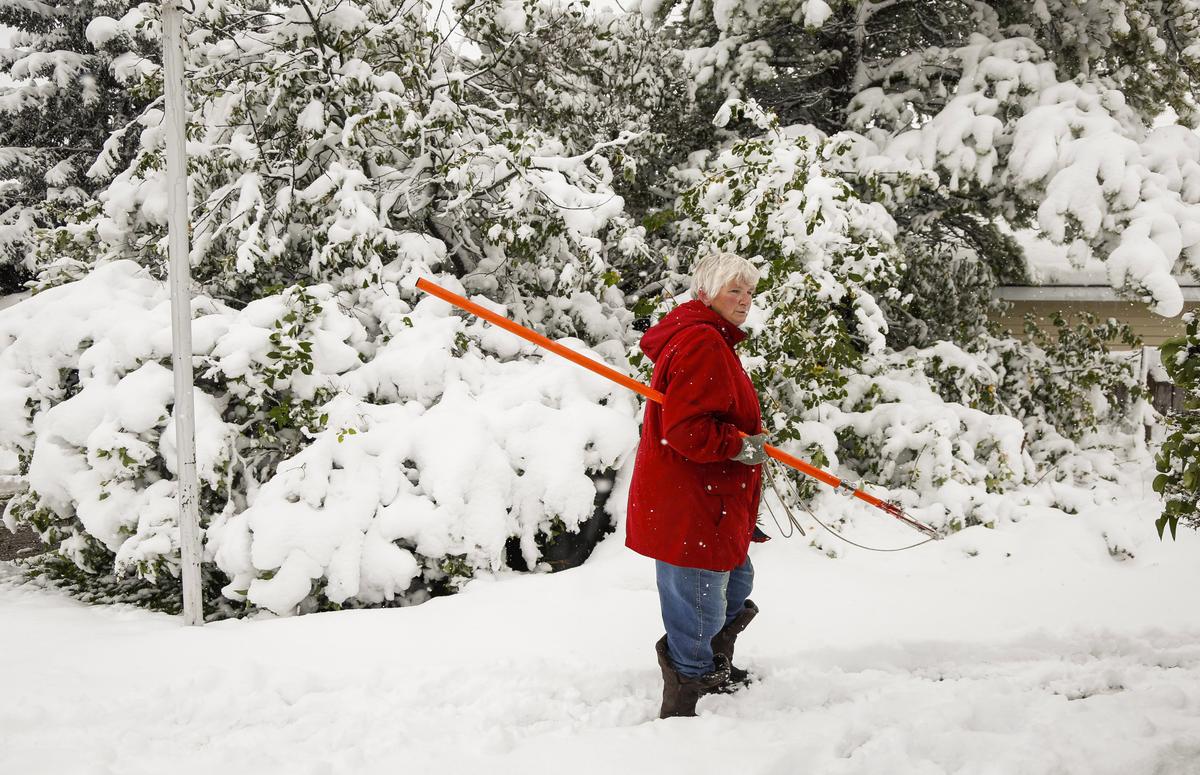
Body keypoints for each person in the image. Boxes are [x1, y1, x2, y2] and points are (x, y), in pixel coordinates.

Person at [626, 252, 770, 719]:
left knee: (733, 580)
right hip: (694, 498)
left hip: (709, 496)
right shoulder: (702, 342)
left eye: (749, 292)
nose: (745, 300)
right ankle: (690, 688)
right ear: (705, 293)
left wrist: (742, 444)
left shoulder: (711, 339)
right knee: (702, 597)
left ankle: (712, 663)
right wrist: (740, 446)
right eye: (735, 290)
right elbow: (687, 430)